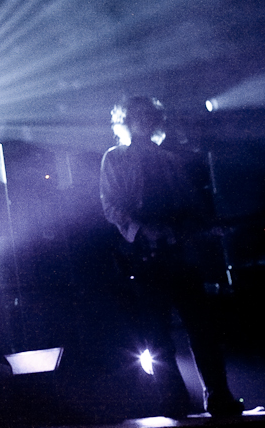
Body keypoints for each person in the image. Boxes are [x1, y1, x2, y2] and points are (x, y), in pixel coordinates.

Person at [100, 95, 243, 418]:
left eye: (149, 116)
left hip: (178, 254)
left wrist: (203, 228)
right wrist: (143, 231)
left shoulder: (167, 160)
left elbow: (188, 206)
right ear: (126, 120)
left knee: (201, 328)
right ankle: (174, 399)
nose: (144, 121)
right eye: (138, 116)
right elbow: (111, 206)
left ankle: (217, 397)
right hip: (145, 256)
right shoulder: (115, 158)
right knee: (158, 333)